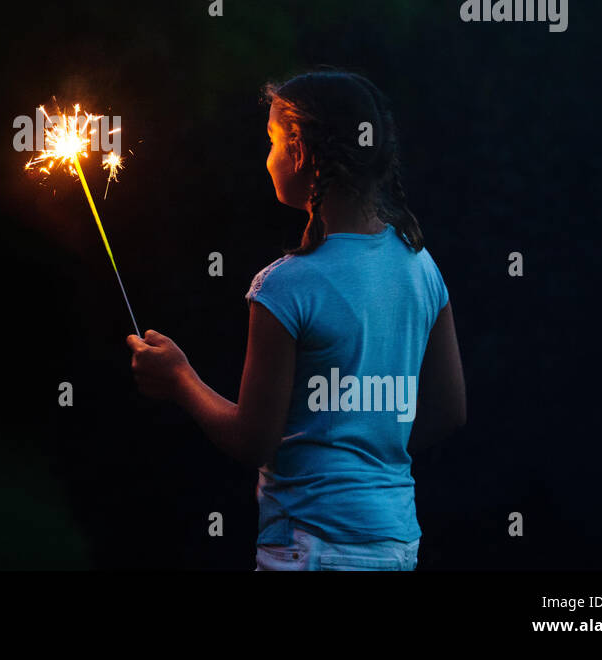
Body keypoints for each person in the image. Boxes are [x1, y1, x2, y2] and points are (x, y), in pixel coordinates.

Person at [126, 69, 466, 570]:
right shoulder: (421, 267)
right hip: (395, 546)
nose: (266, 158)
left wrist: (180, 378)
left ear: (301, 153)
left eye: (272, 141)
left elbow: (252, 440)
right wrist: (365, 440)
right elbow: (450, 410)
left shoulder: (285, 286)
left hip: (309, 547)